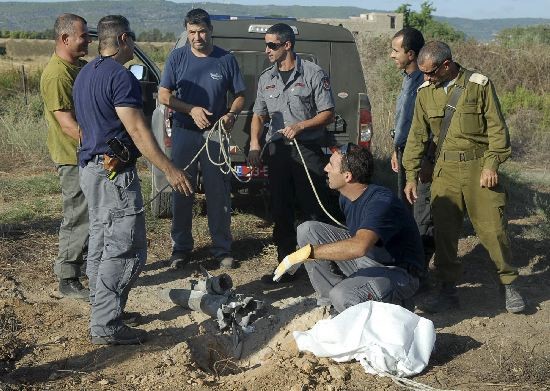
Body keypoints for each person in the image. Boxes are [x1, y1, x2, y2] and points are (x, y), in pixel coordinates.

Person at [74, 15, 193, 345]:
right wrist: (169, 169)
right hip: (112, 174)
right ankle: (106, 324)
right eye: (134, 40)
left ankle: (105, 310)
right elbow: (138, 130)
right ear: (124, 39)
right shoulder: (121, 78)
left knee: (101, 241)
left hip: (91, 169)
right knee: (126, 248)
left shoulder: (86, 73)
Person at [402, 41, 526, 314]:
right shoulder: (425, 93)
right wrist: (411, 175)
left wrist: (491, 165)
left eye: (431, 72)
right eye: (423, 73)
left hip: (478, 167)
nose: (426, 78)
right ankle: (447, 288)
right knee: (445, 233)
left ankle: (509, 283)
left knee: (493, 229)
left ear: (447, 65)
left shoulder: (479, 85)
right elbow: (417, 136)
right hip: (444, 171)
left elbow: (497, 131)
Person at [272, 144, 423, 313]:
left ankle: (397, 306)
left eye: (331, 164)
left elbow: (359, 246)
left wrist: (306, 253)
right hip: (366, 260)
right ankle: (330, 306)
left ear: (347, 176)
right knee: (307, 230)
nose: (325, 168)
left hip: (398, 273)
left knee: (343, 295)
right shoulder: (346, 197)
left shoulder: (380, 202)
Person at [158, 8, 245, 270]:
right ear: (187, 32)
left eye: (202, 32)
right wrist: (190, 109)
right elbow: (164, 95)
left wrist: (231, 114)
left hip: (215, 135)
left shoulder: (225, 59)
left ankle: (222, 249)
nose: (197, 37)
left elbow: (241, 94)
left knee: (218, 193)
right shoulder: (177, 57)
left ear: (211, 31)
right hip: (185, 132)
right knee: (182, 189)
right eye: (192, 32)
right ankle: (181, 249)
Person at [247, 22, 336, 278]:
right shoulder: (267, 78)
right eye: (266, 45)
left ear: (287, 45)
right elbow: (258, 114)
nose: (267, 50)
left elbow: (328, 113)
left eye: (272, 45)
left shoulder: (313, 73)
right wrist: (255, 144)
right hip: (278, 152)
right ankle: (285, 265)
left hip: (306, 149)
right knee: (280, 208)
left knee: (311, 209)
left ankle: (321, 265)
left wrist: (300, 126)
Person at [40, 13, 91, 301]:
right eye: (83, 36)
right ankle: (68, 276)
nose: (88, 40)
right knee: (77, 215)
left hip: (84, 153)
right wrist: (103, 144)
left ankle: (82, 266)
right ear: (65, 39)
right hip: (72, 157)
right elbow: (68, 125)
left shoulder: (77, 68)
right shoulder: (57, 75)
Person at [389, 27, 434, 271]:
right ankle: (409, 263)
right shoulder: (407, 80)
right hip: (404, 152)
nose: (391, 55)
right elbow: (403, 120)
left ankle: (420, 270)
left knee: (421, 212)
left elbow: (429, 128)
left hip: (420, 155)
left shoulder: (425, 84)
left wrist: (424, 160)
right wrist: (396, 150)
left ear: (411, 53)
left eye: (396, 51)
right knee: (405, 209)